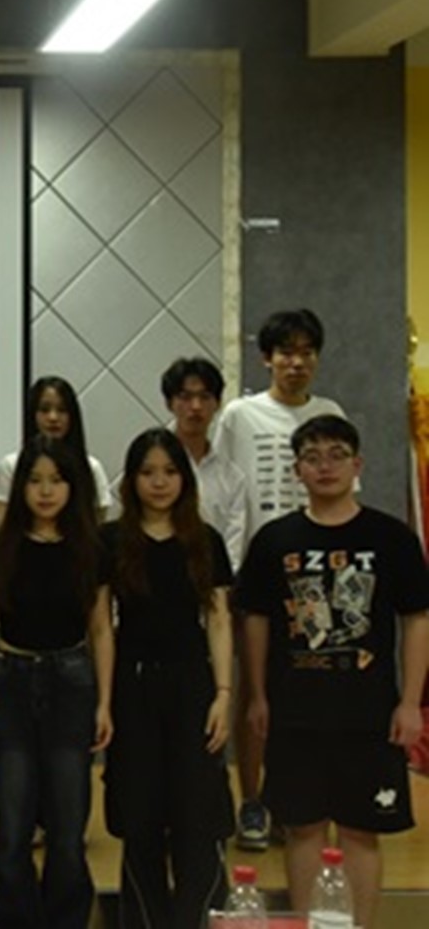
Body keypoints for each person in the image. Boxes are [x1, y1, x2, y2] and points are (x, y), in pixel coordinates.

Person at [236, 415, 429, 929]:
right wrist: (257, 695)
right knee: (302, 828)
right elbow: (255, 621)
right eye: (313, 457)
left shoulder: (391, 538)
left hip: (369, 712)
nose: (325, 466)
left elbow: (417, 619)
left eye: (337, 455)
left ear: (357, 464)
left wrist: (411, 702)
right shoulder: (274, 540)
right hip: (295, 710)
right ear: (296, 470)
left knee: (361, 830)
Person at [212, 309, 346, 851]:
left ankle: (299, 802)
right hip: (258, 571)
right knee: (255, 690)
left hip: (316, 578)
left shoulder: (329, 412)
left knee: (309, 691)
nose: (297, 362)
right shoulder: (240, 415)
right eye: (286, 352)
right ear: (266, 358)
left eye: (306, 352)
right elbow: (224, 490)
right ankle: (252, 801)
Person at [0, 434, 113, 929]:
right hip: (8, 681)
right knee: (12, 825)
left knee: (68, 827)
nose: (46, 491)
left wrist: (105, 702)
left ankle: (66, 919)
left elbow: (101, 629)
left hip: (72, 682)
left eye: (56, 480)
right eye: (34, 481)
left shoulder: (90, 549)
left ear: (74, 488)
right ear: (20, 488)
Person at [103, 429, 235, 929]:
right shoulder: (111, 540)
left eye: (170, 472)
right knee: (139, 814)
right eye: (147, 472)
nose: (159, 482)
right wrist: (104, 700)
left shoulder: (205, 540)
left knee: (196, 812)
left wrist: (224, 694)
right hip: (132, 687)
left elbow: (218, 619)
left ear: (185, 478)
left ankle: (197, 920)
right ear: (131, 480)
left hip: (193, 686)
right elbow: (101, 626)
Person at [0, 376, 113, 526]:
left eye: (62, 410)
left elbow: (97, 526)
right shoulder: (11, 465)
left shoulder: (91, 467)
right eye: (44, 410)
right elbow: (3, 526)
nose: (53, 417)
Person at [161, 357, 246, 570]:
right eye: (185, 397)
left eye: (205, 397)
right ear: (169, 403)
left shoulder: (232, 477)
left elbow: (233, 547)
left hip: (213, 580)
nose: (196, 406)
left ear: (217, 404)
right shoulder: (149, 467)